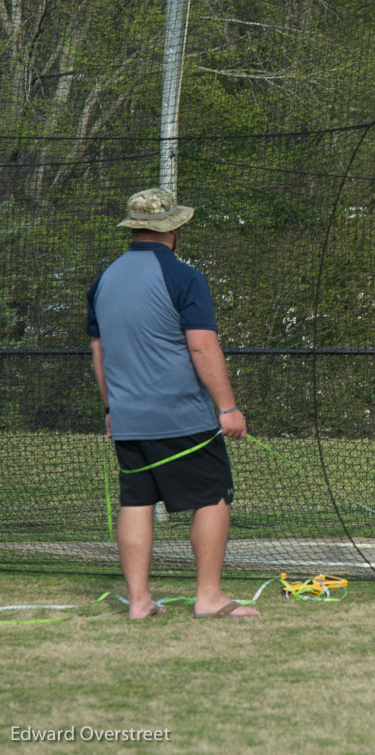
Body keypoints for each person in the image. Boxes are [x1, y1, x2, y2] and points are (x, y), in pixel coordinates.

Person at [86, 188, 260, 619]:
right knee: (213, 496)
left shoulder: (103, 280)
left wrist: (112, 410)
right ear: (174, 228)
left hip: (128, 420)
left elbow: (100, 354)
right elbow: (201, 347)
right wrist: (227, 408)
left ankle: (139, 602)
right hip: (182, 416)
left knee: (136, 501)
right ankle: (209, 597)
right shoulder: (185, 277)